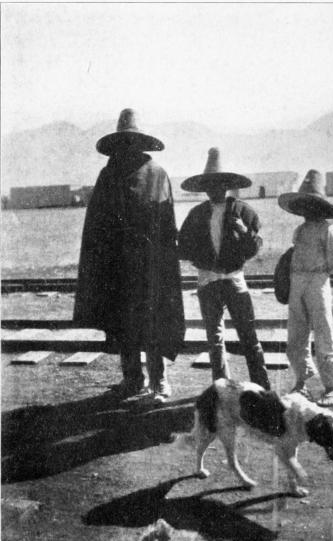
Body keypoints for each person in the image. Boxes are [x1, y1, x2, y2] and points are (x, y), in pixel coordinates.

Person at [74, 108, 185, 402]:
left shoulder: (157, 174)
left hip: (150, 265)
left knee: (153, 322)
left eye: (132, 141)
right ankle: (132, 379)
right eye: (123, 141)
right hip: (118, 266)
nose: (127, 147)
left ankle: (159, 380)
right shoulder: (108, 175)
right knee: (123, 323)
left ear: (140, 143)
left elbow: (167, 222)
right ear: (117, 144)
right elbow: (97, 224)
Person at [178, 148, 270, 390]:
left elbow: (253, 248)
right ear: (204, 188)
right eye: (209, 184)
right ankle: (220, 388)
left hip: (234, 279)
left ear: (227, 185)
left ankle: (262, 387)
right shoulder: (197, 214)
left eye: (219, 184)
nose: (214, 189)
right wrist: (197, 256)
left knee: (248, 334)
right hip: (207, 281)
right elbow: (184, 247)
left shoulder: (243, 211)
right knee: (215, 339)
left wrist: (243, 231)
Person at [278, 169, 333, 407]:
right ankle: (301, 381)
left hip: (317, 283)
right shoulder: (300, 230)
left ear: (319, 207)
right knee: (296, 334)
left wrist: (316, 273)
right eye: (303, 205)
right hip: (297, 283)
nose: (307, 210)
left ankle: (330, 386)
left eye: (311, 204)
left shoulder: (328, 230)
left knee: (324, 333)